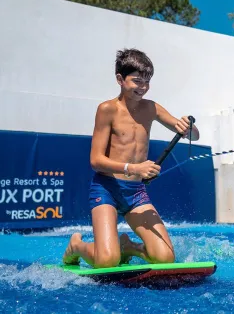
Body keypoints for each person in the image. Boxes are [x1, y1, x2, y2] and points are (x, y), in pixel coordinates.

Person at [62, 48, 199, 267]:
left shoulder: (152, 108)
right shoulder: (107, 109)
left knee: (165, 258)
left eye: (147, 82)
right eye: (137, 81)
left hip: (135, 193)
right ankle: (77, 246)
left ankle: (129, 247)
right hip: (106, 188)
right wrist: (134, 168)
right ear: (120, 79)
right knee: (107, 261)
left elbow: (191, 134)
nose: (142, 87)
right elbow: (95, 161)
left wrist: (188, 127)